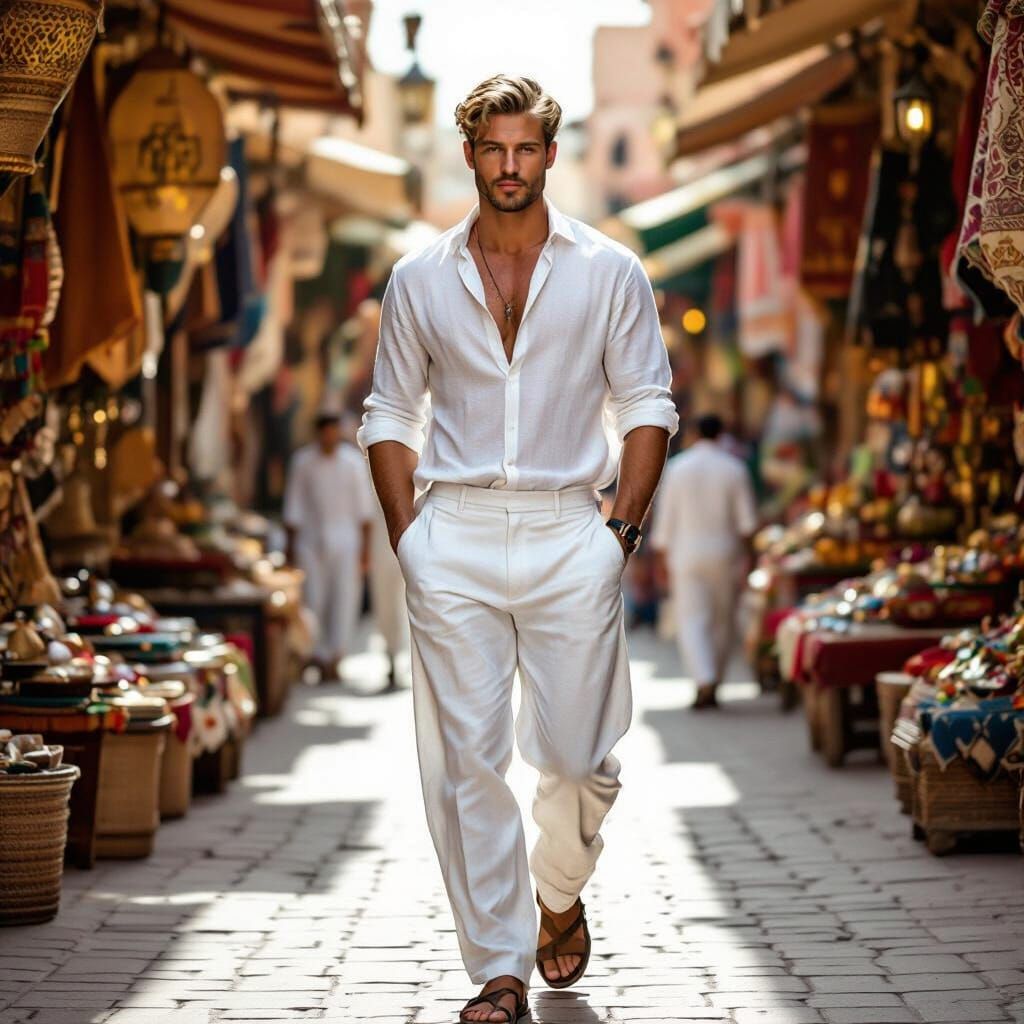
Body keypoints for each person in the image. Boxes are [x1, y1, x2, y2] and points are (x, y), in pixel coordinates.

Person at [358, 76, 677, 1024]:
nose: (510, 166)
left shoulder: (610, 271)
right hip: (451, 532)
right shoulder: (419, 278)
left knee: (580, 759)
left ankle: (559, 889)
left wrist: (619, 534)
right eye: (493, 149)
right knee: (467, 762)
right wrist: (409, 541)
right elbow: (389, 412)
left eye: (526, 148)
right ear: (469, 154)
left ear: (549, 153)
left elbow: (648, 403)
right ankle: (499, 969)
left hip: (570, 529)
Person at [650, 413, 758, 710]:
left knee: (691, 620)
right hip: (725, 554)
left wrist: (660, 559)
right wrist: (751, 557)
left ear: (695, 434)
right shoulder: (734, 468)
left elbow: (665, 521)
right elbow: (747, 523)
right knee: (722, 620)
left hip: (685, 554)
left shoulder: (677, 468)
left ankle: (704, 678)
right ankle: (714, 680)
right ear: (721, 434)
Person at [283, 409, 375, 681]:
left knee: (344, 598)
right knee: (313, 599)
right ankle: (316, 654)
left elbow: (364, 513)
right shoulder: (303, 462)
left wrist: (365, 552)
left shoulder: (352, 463)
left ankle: (336, 655)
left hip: (346, 541)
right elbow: (294, 507)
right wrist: (290, 549)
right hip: (310, 541)